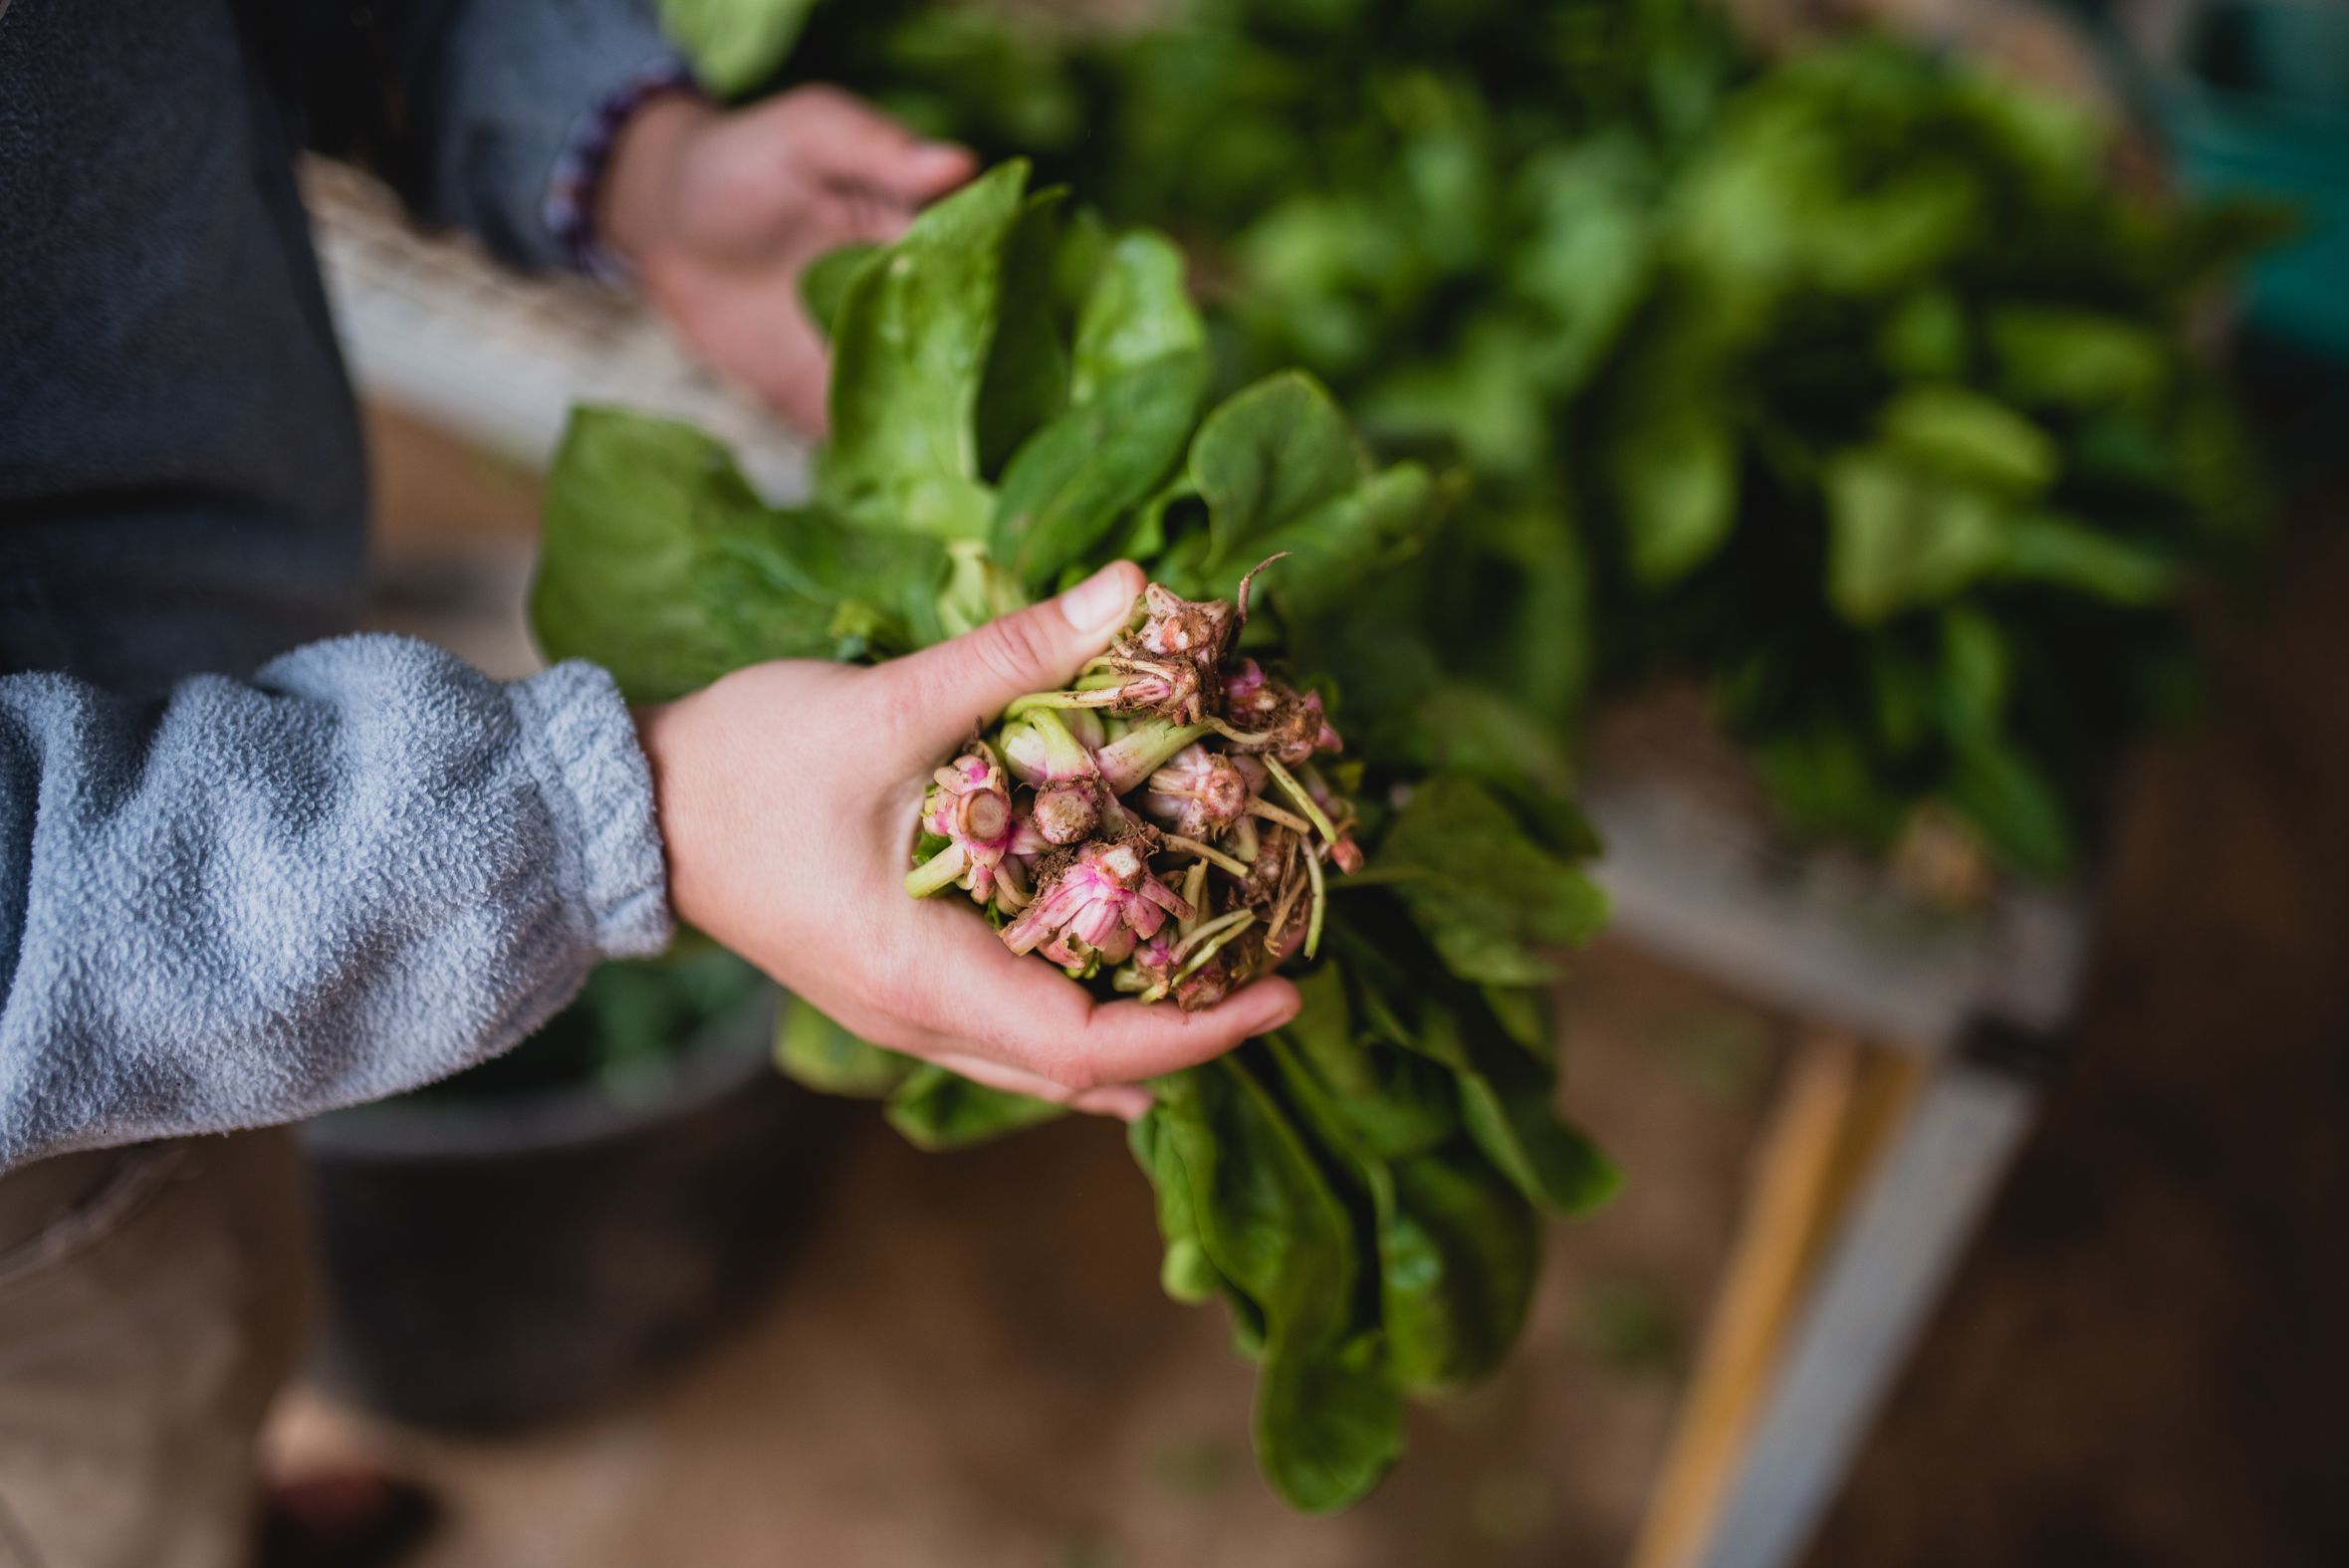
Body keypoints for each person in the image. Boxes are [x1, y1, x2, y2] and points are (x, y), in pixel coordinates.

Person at [0, 4, 1299, 1565]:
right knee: (125, 1435)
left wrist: (612, 148)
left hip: (207, 726)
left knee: (212, 1341)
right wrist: (617, 817)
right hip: (37, 1107)